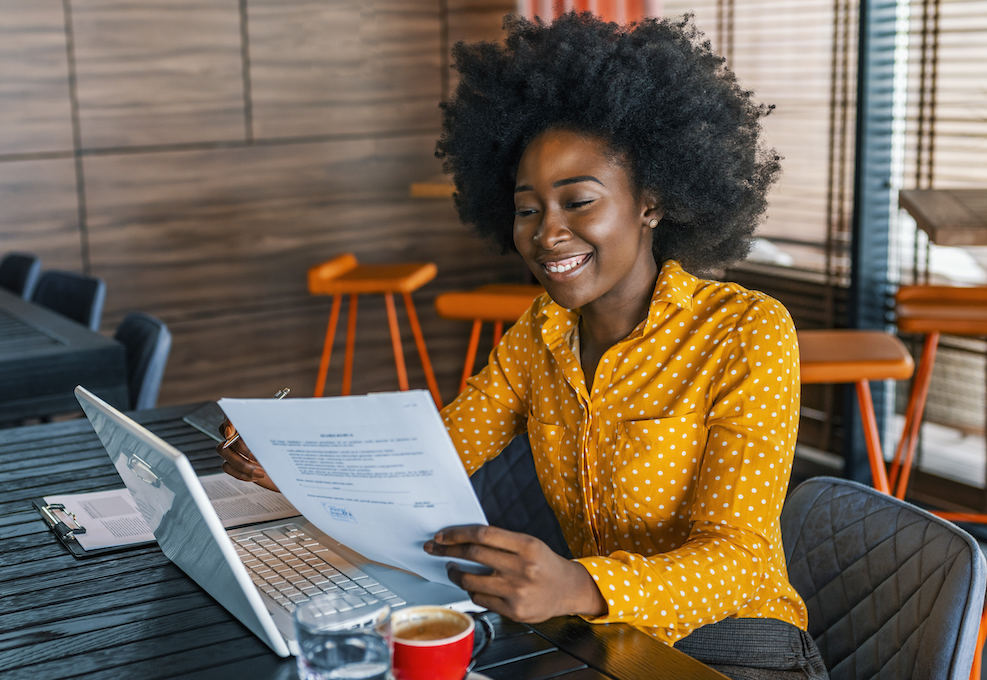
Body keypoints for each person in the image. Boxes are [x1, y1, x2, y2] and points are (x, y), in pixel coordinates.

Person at [219, 12, 826, 680]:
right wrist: (298, 460)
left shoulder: (745, 331)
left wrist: (578, 586)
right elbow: (434, 455)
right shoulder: (539, 334)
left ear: (650, 201)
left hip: (735, 645)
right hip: (603, 639)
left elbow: (736, 560)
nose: (548, 233)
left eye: (579, 201)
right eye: (528, 208)